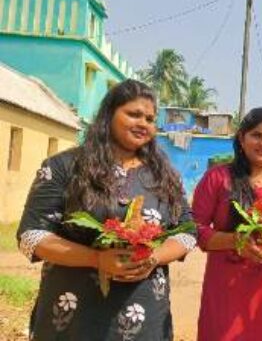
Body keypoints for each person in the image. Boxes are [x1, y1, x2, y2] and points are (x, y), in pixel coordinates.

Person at [16, 79, 196, 340]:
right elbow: (31, 236)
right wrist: (96, 259)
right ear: (109, 114)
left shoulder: (164, 176)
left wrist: (154, 256)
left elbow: (188, 230)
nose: (143, 123)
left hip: (144, 314)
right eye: (134, 114)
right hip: (74, 317)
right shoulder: (64, 167)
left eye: (150, 118)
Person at [192, 107, 262, 341]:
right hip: (228, 289)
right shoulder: (217, 178)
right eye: (256, 135)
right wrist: (237, 241)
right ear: (241, 138)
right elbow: (195, 228)